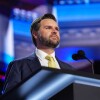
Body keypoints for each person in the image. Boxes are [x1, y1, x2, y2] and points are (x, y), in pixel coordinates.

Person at [2, 13, 74, 94]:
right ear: (35, 34)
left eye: (57, 29)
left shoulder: (70, 70)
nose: (54, 31)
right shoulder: (18, 66)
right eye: (48, 28)